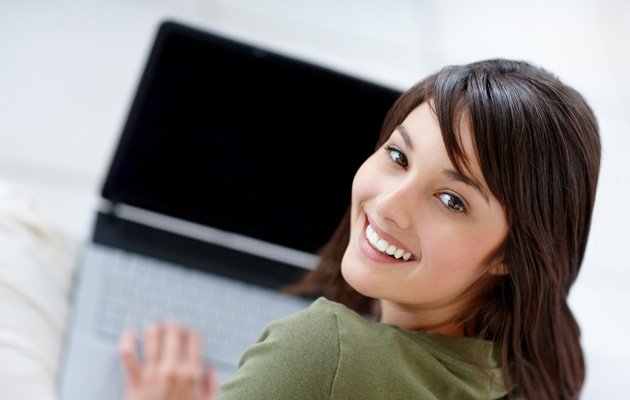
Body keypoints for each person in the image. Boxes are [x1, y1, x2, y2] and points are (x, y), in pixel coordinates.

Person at [118, 58, 601, 400]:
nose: (388, 205)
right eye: (398, 156)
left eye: (452, 200)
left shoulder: (321, 352)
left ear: (511, 253)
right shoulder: (543, 360)